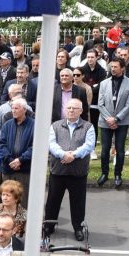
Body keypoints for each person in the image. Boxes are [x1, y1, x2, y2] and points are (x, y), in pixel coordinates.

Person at [45, 99, 95, 240]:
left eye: (75, 108)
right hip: (58, 171)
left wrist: (73, 155)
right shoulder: (55, 126)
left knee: (78, 202)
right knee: (53, 201)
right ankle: (49, 225)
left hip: (78, 172)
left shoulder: (88, 126)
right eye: (69, 108)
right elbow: (51, 144)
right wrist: (63, 154)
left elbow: (89, 145)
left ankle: (78, 228)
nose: (71, 110)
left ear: (81, 111)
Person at [96, 58, 129, 188]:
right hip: (105, 121)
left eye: (115, 67)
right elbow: (100, 104)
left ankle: (118, 174)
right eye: (111, 67)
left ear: (122, 68)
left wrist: (116, 119)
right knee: (105, 150)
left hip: (122, 122)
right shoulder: (104, 83)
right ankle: (104, 173)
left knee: (120, 150)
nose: (113, 69)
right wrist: (109, 119)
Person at [0, 98, 34, 201]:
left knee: (23, 199)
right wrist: (10, 160)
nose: (13, 111)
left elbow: (34, 147)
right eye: (12, 108)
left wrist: (20, 160)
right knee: (7, 198)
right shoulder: (7, 125)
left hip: (25, 169)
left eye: (16, 108)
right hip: (8, 168)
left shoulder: (34, 125)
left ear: (25, 110)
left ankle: (22, 217)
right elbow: (2, 145)